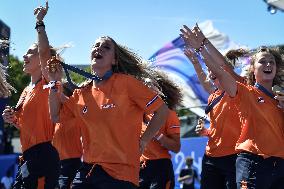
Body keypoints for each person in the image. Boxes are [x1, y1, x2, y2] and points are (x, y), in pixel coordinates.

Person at [36, 3, 169, 189]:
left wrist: (145, 139)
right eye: (95, 46)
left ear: (114, 60)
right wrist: (53, 83)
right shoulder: (81, 92)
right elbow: (56, 116)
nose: (98, 48)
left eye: (106, 47)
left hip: (121, 175)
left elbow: (161, 111)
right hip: (88, 171)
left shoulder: (127, 84)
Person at [182, 25, 284, 188]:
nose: (268, 64)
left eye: (271, 62)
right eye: (262, 61)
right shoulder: (244, 91)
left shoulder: (279, 98)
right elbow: (222, 70)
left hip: (278, 166)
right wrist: (201, 48)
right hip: (252, 162)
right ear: (252, 69)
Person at [2, 3, 60, 188]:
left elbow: (44, 52)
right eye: (25, 52)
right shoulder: (27, 90)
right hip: (28, 156)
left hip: (43, 155)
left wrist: (39, 23)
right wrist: (12, 119)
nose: (25, 56)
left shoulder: (47, 81)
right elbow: (27, 124)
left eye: (30, 53)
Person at [180, 25, 245, 189]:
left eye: (213, 69)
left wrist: (202, 45)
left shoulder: (238, 89)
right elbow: (205, 82)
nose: (211, 71)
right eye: (209, 70)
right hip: (211, 158)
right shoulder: (213, 95)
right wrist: (205, 132)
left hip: (234, 156)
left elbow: (223, 67)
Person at [139, 72, 182, 189]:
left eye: (150, 84)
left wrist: (156, 133)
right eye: (143, 85)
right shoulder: (136, 113)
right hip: (139, 168)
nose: (146, 87)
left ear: (159, 90)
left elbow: (176, 147)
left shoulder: (169, 114)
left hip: (160, 167)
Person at [52, 83, 83, 189]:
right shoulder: (57, 116)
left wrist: (59, 94)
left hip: (73, 162)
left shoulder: (77, 112)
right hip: (57, 163)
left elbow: (76, 105)